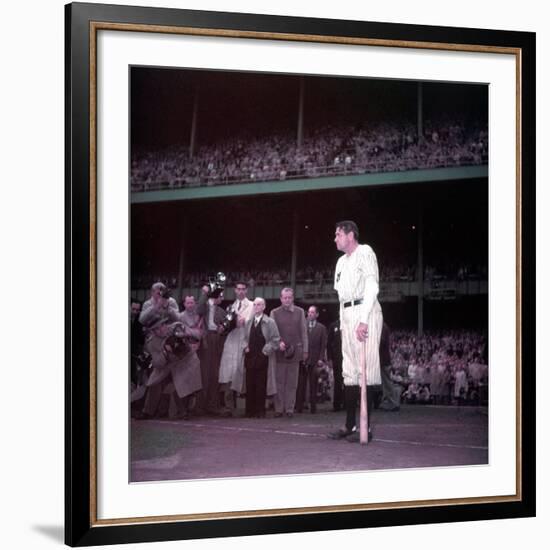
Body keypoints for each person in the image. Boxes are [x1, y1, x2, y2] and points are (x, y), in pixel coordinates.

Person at [328, 220, 383, 443]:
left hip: (365, 310)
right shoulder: (340, 262)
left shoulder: (365, 251)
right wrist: (344, 324)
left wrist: (363, 321)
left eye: (338, 234)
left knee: (365, 369)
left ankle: (365, 427)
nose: (335, 239)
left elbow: (372, 286)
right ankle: (350, 424)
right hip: (347, 313)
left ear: (350, 235)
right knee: (349, 371)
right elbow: (341, 298)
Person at [270, 288, 308, 417]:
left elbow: (304, 332)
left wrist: (305, 350)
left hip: (295, 353)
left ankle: (290, 409)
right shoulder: (274, 313)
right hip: (279, 352)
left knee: (292, 383)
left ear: (293, 298)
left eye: (289, 297)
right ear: (281, 299)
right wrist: (278, 342)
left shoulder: (300, 312)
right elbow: (272, 332)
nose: (287, 300)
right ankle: (279, 409)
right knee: (279, 382)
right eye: (284, 297)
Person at [218, 282, 254, 416]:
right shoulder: (230, 307)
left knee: (242, 374)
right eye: (238, 289)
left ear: (247, 290)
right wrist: (223, 327)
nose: (241, 292)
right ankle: (229, 407)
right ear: (235, 290)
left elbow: (251, 322)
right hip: (231, 341)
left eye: (243, 289)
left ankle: (249, 408)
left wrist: (244, 321)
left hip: (245, 341)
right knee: (228, 374)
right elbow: (227, 325)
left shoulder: (251, 305)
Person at [240, 298, 280, 418]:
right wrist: (245, 346)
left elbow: (276, 340)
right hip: (250, 357)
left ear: (264, 307)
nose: (257, 307)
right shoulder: (248, 322)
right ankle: (249, 411)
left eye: (259, 305)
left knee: (261, 385)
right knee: (250, 384)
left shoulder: (270, 322)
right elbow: (243, 338)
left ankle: (260, 411)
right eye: (255, 305)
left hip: (263, 357)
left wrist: (266, 351)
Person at [196, 285, 227, 415]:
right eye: (221, 296)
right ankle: (200, 406)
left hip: (216, 340)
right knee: (204, 374)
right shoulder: (205, 307)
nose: (223, 298)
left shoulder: (221, 311)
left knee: (215, 374)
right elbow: (199, 309)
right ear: (215, 296)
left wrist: (223, 327)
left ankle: (212, 405)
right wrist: (204, 293)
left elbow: (227, 322)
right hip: (205, 339)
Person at [296, 305, 327, 414]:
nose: (310, 314)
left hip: (314, 360)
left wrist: (321, 359)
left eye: (312, 312)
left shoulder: (322, 328)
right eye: (309, 312)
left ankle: (313, 408)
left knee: (313, 385)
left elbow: (323, 345)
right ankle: (299, 407)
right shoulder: (302, 326)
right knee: (301, 385)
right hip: (303, 359)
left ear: (317, 314)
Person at [378, 322, 400, 411]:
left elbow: (382, 341)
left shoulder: (382, 326)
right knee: (385, 383)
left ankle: (394, 403)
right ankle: (387, 401)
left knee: (387, 382)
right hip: (382, 359)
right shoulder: (382, 326)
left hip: (383, 359)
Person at [327, 319, 344, 411]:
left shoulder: (351, 323)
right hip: (337, 358)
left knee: (348, 382)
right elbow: (329, 343)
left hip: (348, 358)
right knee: (337, 381)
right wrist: (329, 358)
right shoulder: (334, 325)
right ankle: (336, 405)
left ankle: (347, 404)